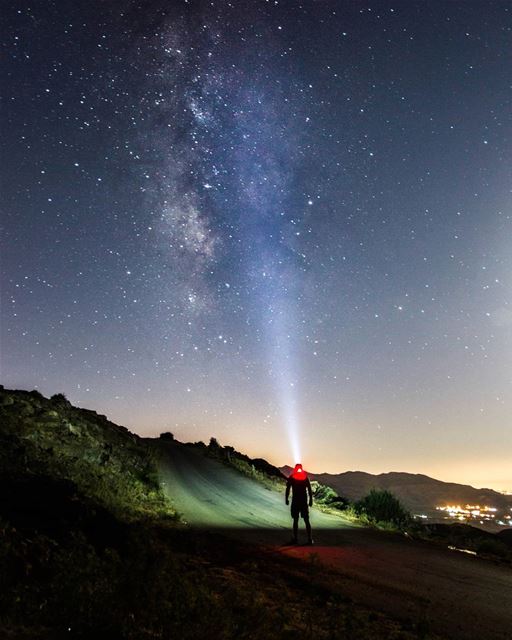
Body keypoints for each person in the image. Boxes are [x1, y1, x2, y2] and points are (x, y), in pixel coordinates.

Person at [285, 463, 313, 544]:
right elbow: (310, 490)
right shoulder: (305, 478)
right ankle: (309, 539)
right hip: (303, 502)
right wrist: (310, 500)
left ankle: (296, 539)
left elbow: (288, 489)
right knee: (306, 520)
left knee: (296, 520)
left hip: (296, 501)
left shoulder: (292, 477)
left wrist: (286, 499)